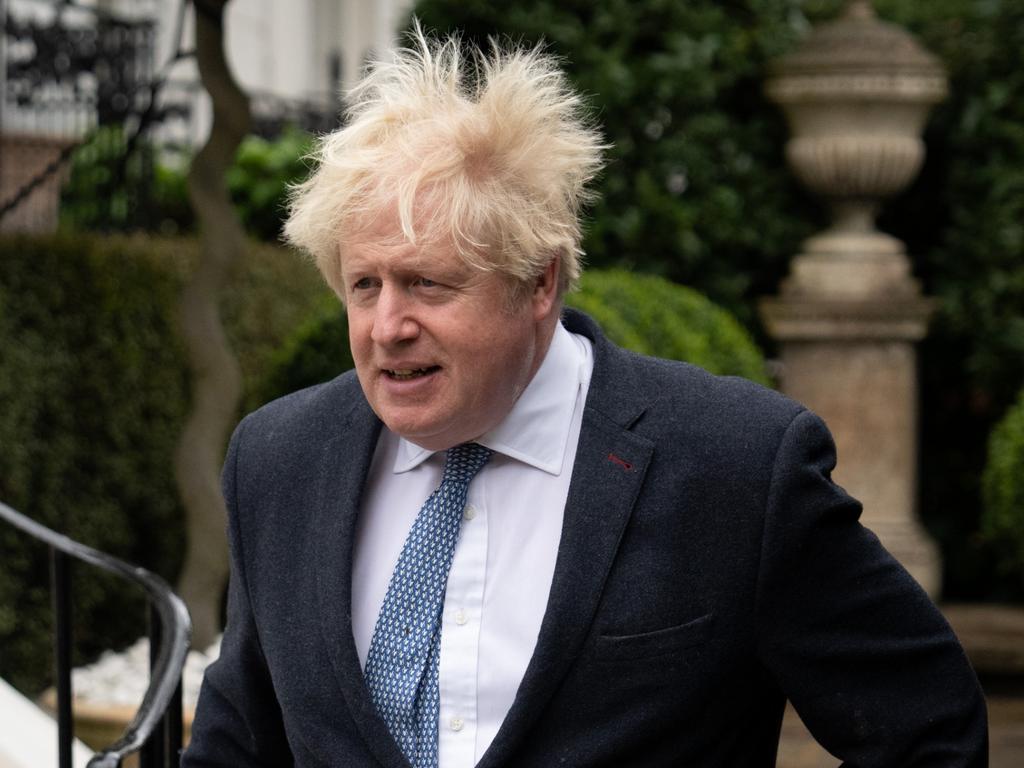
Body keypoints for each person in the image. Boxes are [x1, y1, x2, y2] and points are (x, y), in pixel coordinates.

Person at [183, 26, 987, 768]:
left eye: (427, 283)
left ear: (539, 284)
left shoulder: (735, 466)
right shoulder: (278, 460)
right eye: (365, 285)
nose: (387, 325)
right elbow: (237, 747)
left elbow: (930, 731)